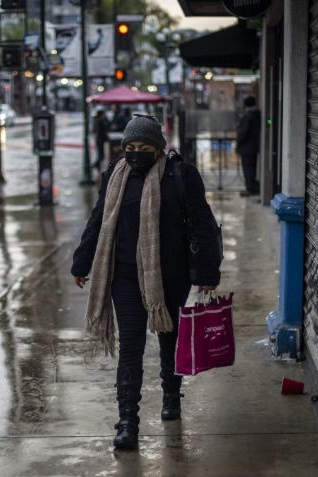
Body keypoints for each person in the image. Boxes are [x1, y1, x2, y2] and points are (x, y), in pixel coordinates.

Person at [71, 115, 222, 450]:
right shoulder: (116, 174)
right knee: (131, 348)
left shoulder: (179, 174)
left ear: (158, 147)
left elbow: (202, 224)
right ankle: (127, 422)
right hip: (123, 275)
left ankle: (171, 394)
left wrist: (208, 273)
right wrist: (82, 262)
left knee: (169, 341)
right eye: (130, 147)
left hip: (170, 276)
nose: (135, 153)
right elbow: (99, 218)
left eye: (143, 147)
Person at [236, 96, 261, 196]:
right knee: (252, 168)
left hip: (246, 147)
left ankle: (250, 188)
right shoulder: (258, 114)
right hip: (254, 147)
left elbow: (243, 132)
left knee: (247, 168)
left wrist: (238, 140)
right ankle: (253, 187)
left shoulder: (248, 116)